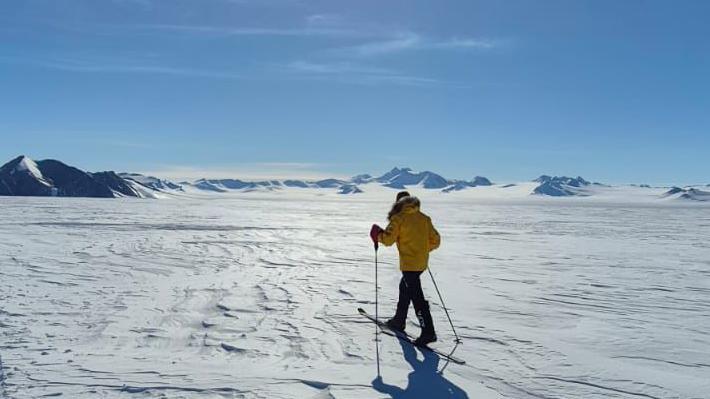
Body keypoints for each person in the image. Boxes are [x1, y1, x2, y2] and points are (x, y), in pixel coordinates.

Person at [370, 191, 441, 346]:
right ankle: (399, 320)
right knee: (405, 288)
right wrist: (421, 250)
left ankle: (428, 332)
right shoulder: (424, 218)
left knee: (417, 297)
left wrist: (378, 235)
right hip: (421, 264)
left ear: (398, 203)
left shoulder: (399, 219)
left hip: (409, 265)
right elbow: (436, 240)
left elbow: (388, 240)